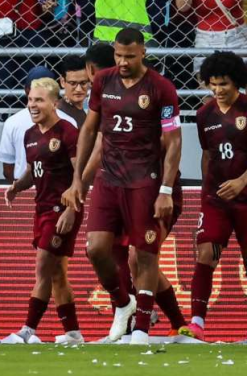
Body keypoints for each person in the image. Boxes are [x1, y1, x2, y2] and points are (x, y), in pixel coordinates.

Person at [61, 28, 182, 344]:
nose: (123, 62)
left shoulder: (161, 88)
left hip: (144, 180)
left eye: (129, 56)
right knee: (96, 249)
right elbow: (90, 130)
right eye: (118, 55)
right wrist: (77, 181)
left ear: (143, 51)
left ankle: (141, 329)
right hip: (109, 180)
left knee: (144, 254)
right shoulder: (103, 82)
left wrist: (166, 190)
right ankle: (123, 303)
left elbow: (173, 140)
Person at [179, 52, 247, 343]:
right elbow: (208, 154)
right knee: (206, 253)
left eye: (224, 84)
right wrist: (208, 192)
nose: (218, 90)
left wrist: (241, 181)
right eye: (213, 84)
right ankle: (196, 324)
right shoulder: (205, 114)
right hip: (217, 199)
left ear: (238, 83)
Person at [2, 78, 83, 345]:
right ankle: (73, 333)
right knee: (58, 273)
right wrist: (17, 186)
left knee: (43, 267)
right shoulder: (30, 134)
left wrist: (71, 209)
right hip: (42, 208)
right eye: (30, 100)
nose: (32, 105)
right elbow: (32, 171)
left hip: (62, 210)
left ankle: (27, 330)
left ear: (54, 103)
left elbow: (79, 176)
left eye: (39, 100)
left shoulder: (68, 132)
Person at [0, 66, 78, 182]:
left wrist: (18, 190)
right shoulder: (69, 121)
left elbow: (8, 169)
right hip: (56, 189)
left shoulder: (13, 122)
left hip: (32, 190)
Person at [175, 0, 247, 77]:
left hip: (235, 35)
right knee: (206, 80)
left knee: (242, 78)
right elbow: (182, 7)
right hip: (205, 37)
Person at [58, 55, 90, 126]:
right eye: (73, 83)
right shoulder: (57, 113)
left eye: (83, 83)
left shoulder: (93, 108)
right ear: (62, 82)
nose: (78, 89)